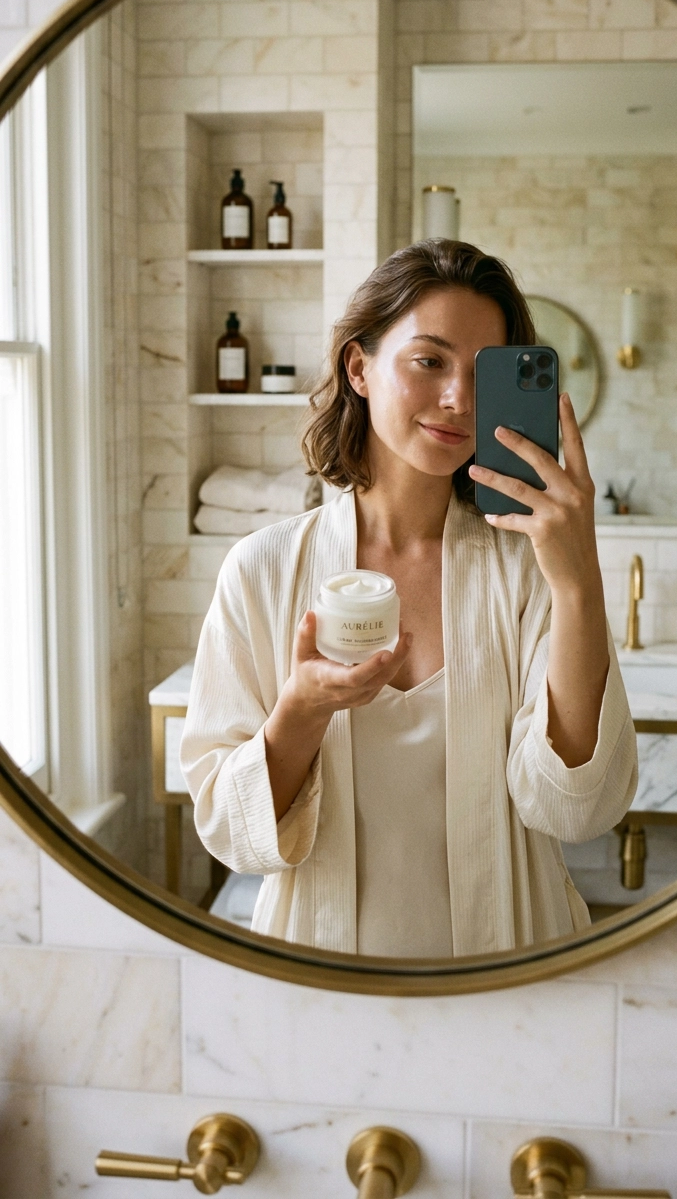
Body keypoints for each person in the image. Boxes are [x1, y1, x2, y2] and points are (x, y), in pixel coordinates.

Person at [181, 240, 637, 958]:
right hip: (324, 980)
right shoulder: (262, 569)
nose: (459, 397)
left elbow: (576, 808)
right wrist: (301, 710)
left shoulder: (528, 569)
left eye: (482, 371)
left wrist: (578, 581)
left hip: (512, 970)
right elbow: (229, 833)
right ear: (359, 368)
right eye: (429, 361)